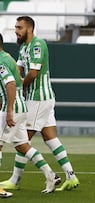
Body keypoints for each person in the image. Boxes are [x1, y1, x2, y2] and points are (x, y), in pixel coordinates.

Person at [0, 16, 79, 191]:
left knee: (22, 140)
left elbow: (33, 73)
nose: (16, 31)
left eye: (19, 27)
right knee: (50, 138)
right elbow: (18, 68)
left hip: (38, 98)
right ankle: (71, 176)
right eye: (15, 27)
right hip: (43, 98)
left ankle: (16, 179)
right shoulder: (23, 49)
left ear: (29, 29)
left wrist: (17, 86)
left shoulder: (37, 44)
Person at [0, 33, 60, 195]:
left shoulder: (1, 62)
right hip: (21, 107)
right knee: (23, 146)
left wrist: (9, 109)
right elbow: (17, 82)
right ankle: (50, 175)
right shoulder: (8, 58)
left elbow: (11, 84)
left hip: (11, 109)